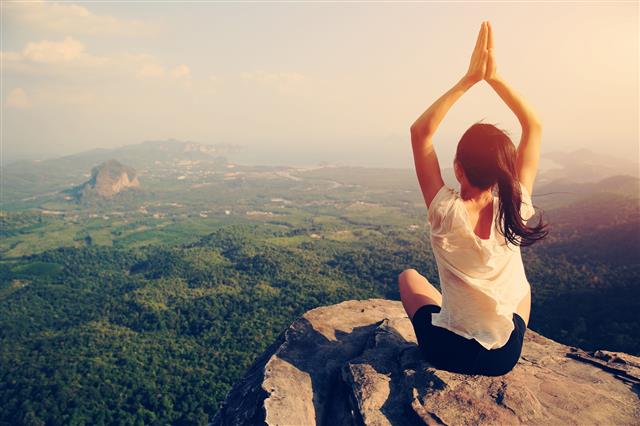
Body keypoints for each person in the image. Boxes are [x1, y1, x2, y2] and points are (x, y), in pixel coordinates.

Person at [400, 21, 550, 376]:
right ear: (504, 170)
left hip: (446, 352)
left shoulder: (444, 211)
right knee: (523, 291)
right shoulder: (517, 208)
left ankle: (451, 314)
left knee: (409, 277)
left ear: (458, 167)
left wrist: (469, 79)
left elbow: (420, 132)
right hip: (502, 359)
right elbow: (535, 127)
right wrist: (495, 78)